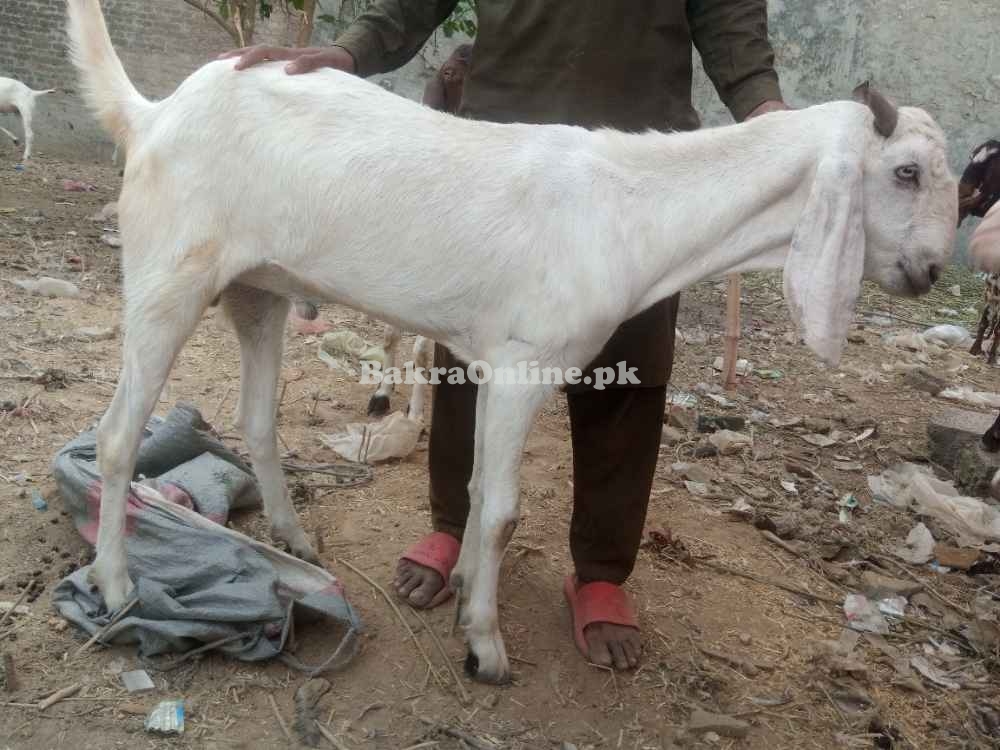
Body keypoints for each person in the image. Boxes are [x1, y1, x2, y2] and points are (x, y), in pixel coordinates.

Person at [225, 0, 787, 672]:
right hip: (499, 150)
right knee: (467, 343)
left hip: (641, 163)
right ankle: (454, 528)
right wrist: (350, 52)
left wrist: (768, 115)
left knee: (628, 362)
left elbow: (730, 20)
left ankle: (601, 568)